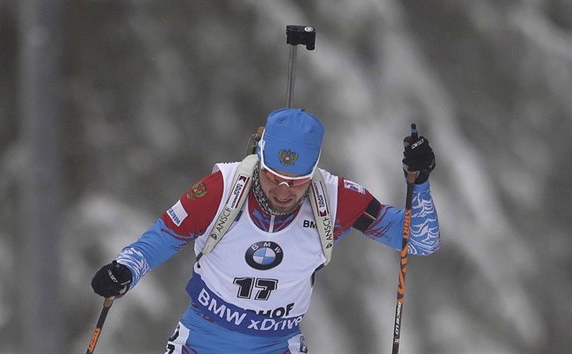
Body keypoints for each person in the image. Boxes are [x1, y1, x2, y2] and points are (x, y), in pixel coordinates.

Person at [91, 108, 440, 353]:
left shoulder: (336, 199)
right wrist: (125, 269)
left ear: (314, 173)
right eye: (272, 177)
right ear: (259, 159)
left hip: (278, 344)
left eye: (296, 183)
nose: (283, 191)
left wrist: (420, 182)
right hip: (201, 341)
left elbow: (420, 241)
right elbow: (165, 235)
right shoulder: (222, 188)